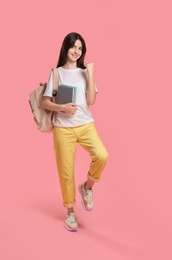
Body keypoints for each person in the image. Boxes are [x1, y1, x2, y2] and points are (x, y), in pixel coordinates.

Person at [42, 32, 109, 232]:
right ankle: (70, 213)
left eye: (80, 49)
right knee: (66, 172)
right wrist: (63, 108)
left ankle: (87, 187)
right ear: (66, 47)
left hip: (85, 124)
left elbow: (91, 101)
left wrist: (91, 73)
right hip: (63, 128)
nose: (76, 51)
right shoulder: (56, 73)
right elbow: (45, 102)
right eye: (73, 47)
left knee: (102, 155)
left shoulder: (84, 72)